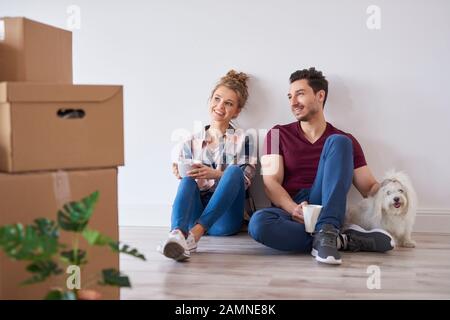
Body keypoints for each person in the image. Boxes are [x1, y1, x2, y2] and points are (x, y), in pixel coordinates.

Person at [248, 67, 394, 265]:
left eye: (300, 94)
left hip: (326, 206)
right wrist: (294, 209)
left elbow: (369, 187)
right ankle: (342, 239)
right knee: (258, 224)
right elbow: (271, 183)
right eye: (290, 96)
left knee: (339, 141)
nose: (293, 102)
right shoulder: (276, 134)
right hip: (292, 209)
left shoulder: (344, 141)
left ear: (320, 95)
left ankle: (327, 230)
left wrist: (394, 191)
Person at [159, 70, 257, 262]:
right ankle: (177, 234)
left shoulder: (244, 139)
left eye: (228, 103)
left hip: (225, 220)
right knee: (187, 180)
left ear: (237, 111)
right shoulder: (190, 142)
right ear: (210, 100)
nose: (220, 106)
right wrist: (179, 171)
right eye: (217, 99)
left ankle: (194, 235)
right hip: (195, 212)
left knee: (234, 172)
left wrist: (215, 174)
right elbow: (188, 181)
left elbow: (245, 178)